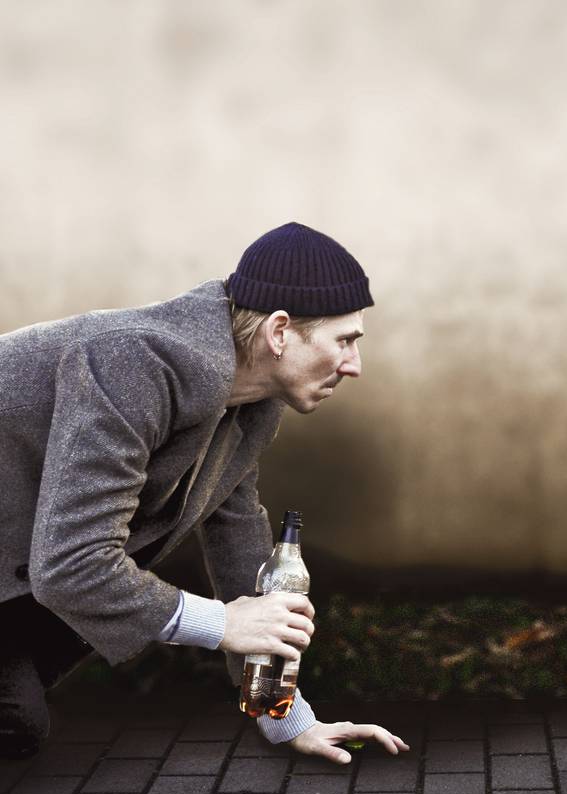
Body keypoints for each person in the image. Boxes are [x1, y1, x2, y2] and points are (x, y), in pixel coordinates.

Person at [0, 222, 409, 763]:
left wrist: (283, 714)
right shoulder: (135, 364)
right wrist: (222, 624)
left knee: (17, 716)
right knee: (16, 721)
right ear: (280, 332)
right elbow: (73, 564)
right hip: (34, 571)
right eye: (344, 341)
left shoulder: (251, 399)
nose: (355, 365)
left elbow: (237, 540)